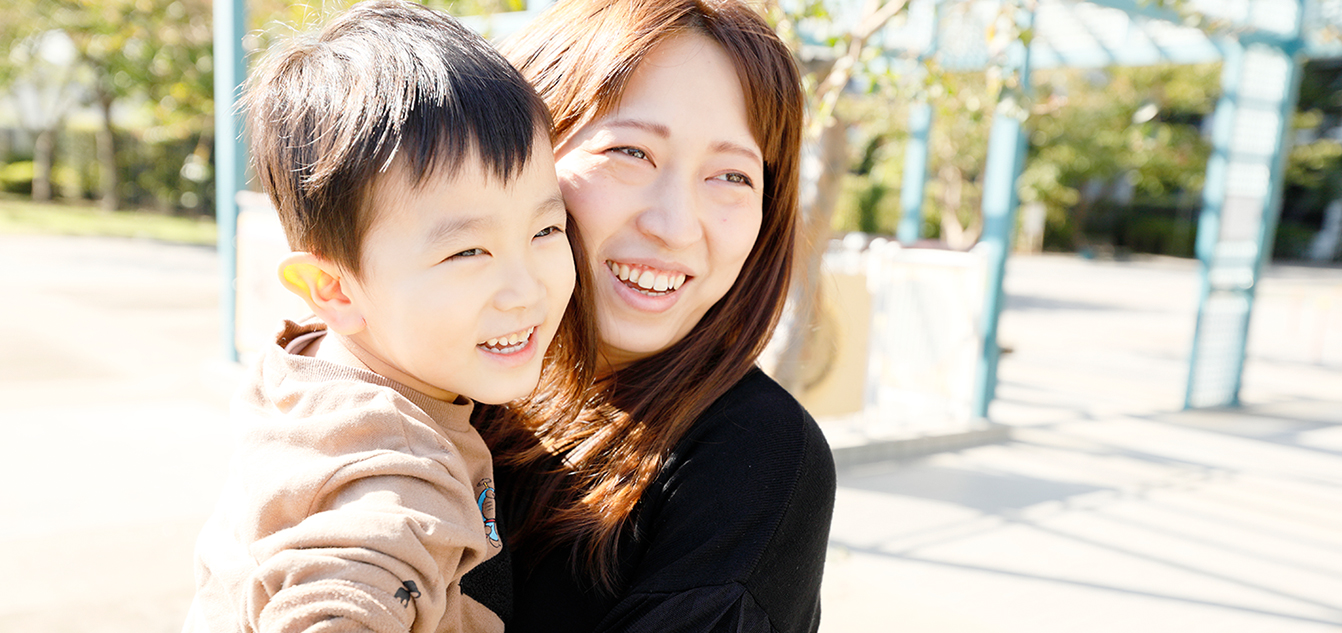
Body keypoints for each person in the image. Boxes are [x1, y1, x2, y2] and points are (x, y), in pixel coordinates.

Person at [183, 2, 593, 631]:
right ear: (334, 289)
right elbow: (344, 596)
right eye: (467, 251)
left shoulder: (304, 376)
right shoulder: (399, 472)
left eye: (545, 228)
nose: (525, 289)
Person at [480, 1, 837, 631]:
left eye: (731, 175)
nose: (674, 226)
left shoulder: (753, 454)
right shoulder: (431, 379)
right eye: (632, 153)